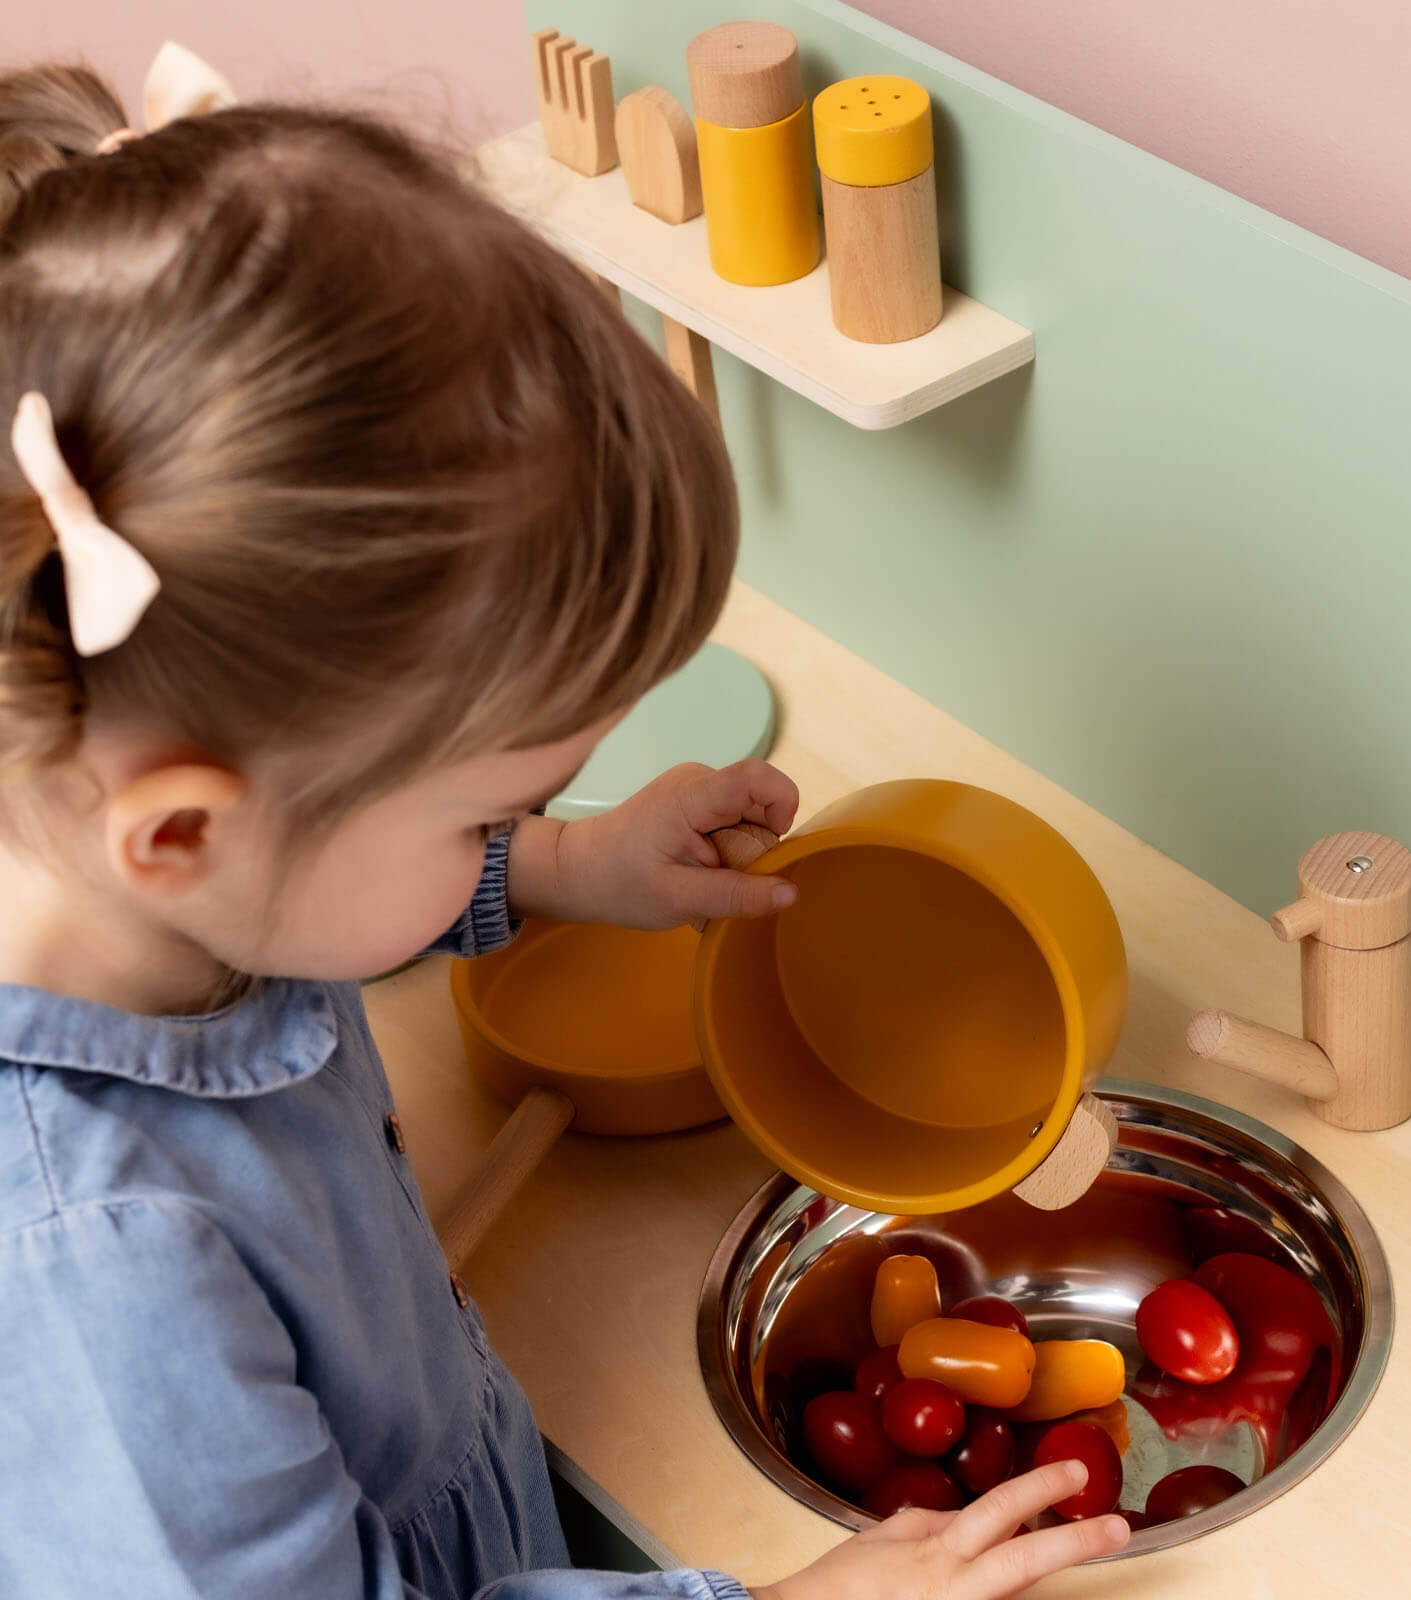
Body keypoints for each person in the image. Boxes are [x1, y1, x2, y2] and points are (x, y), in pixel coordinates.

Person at [0, 45, 1130, 1600]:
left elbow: (310, 892)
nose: (519, 824)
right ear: (183, 831)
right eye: (496, 806)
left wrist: (563, 865)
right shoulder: (91, 1272)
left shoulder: (133, 837)